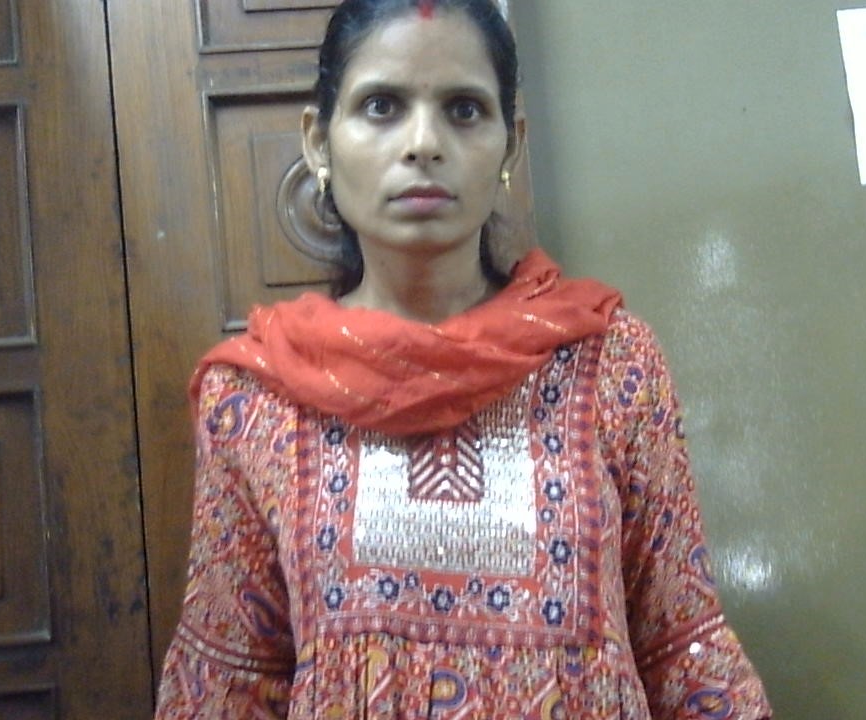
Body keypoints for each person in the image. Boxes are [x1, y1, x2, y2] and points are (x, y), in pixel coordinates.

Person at [155, 0, 773, 717]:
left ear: (510, 146)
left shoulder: (612, 362)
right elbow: (228, 676)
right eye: (382, 106)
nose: (424, 143)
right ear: (319, 142)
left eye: (464, 110)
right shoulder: (255, 397)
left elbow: (682, 644)